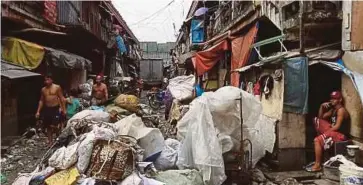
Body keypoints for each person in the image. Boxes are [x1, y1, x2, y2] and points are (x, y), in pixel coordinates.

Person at [308, 91, 350, 172]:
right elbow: (321, 118)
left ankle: (317, 165)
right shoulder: (333, 110)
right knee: (316, 120)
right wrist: (321, 107)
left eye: (335, 99)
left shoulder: (341, 110)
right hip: (333, 131)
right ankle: (323, 141)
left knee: (316, 140)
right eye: (331, 98)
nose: (332, 100)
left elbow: (337, 127)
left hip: (340, 135)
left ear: (340, 100)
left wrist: (325, 133)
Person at [35, 73, 66, 146]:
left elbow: (62, 98)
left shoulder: (57, 87)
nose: (46, 81)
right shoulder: (43, 89)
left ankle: (58, 136)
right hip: (47, 109)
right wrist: (38, 111)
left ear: (52, 80)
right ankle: (50, 142)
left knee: (54, 125)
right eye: (45, 80)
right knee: (48, 126)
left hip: (55, 108)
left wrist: (64, 109)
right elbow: (41, 101)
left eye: (48, 79)